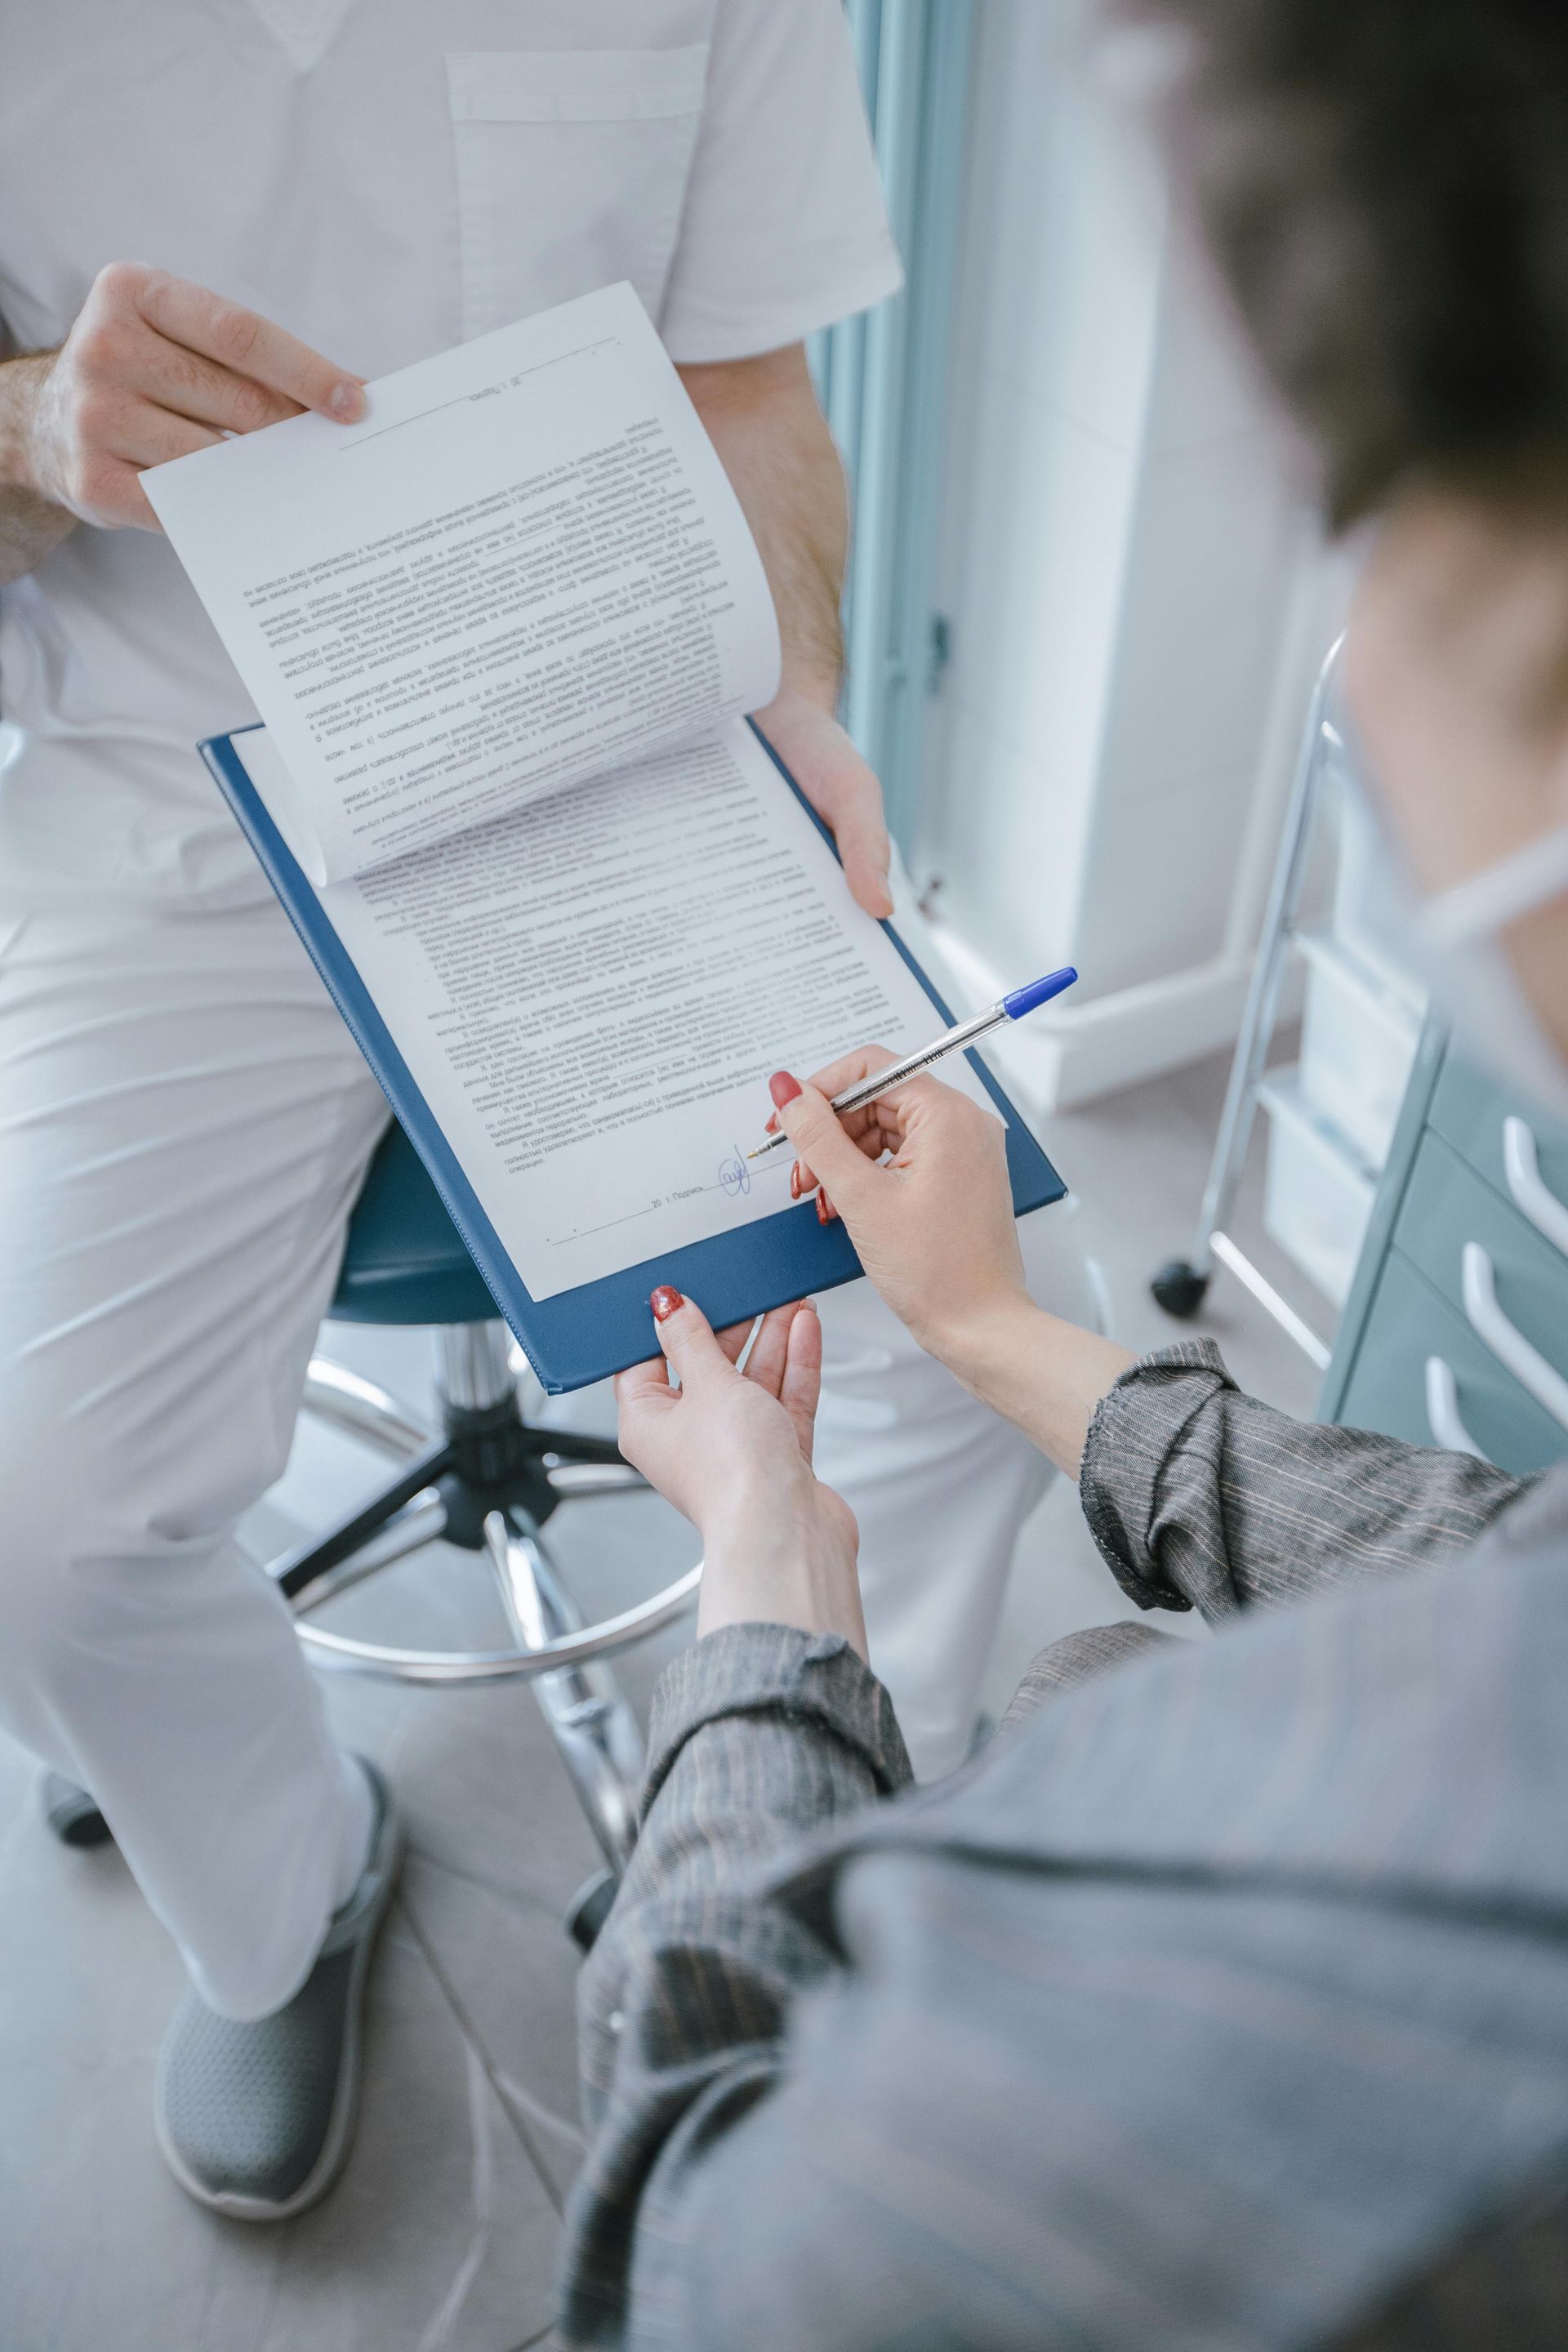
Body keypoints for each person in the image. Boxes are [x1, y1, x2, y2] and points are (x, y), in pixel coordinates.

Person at [0, 0, 1092, 2221]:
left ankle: (852, 1889)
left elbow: (755, 384)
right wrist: (27, 425)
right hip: (166, 785)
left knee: (977, 1333)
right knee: (37, 1510)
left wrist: (786, 682)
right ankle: (283, 1892)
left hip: (615, 746)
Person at [559, 2, 1568, 2341]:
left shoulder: (1161, 2058)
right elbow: (1509, 1560)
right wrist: (1005, 1332)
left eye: (1362, 532)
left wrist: (760, 1601)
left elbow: (699, 2240)